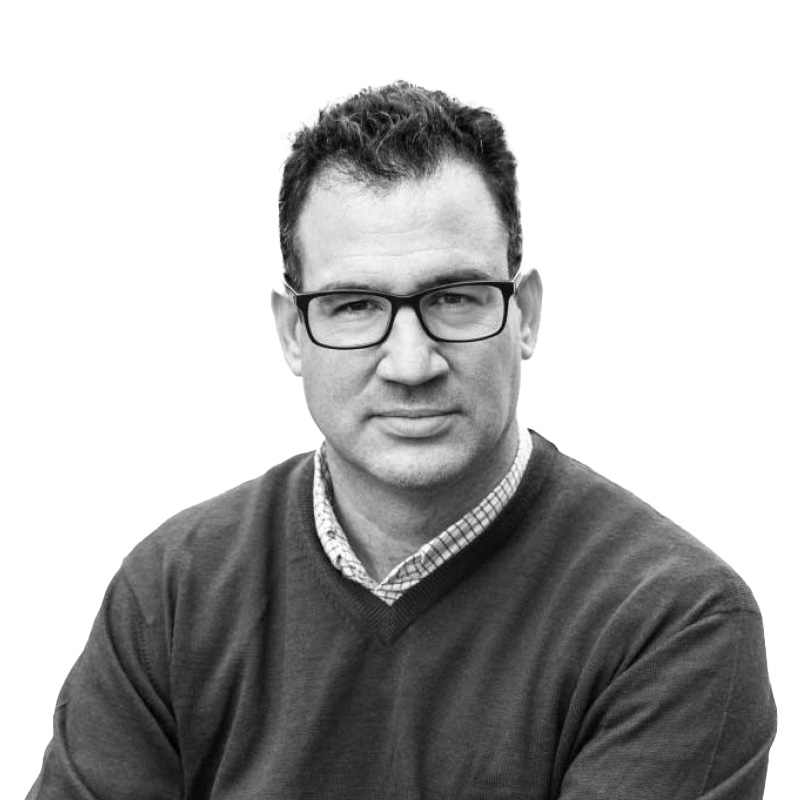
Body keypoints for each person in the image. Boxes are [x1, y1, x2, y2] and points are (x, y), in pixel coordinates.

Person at [28, 81, 777, 799]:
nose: (412, 364)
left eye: (454, 299)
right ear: (293, 333)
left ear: (526, 316)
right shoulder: (173, 591)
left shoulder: (673, 621)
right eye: (355, 306)